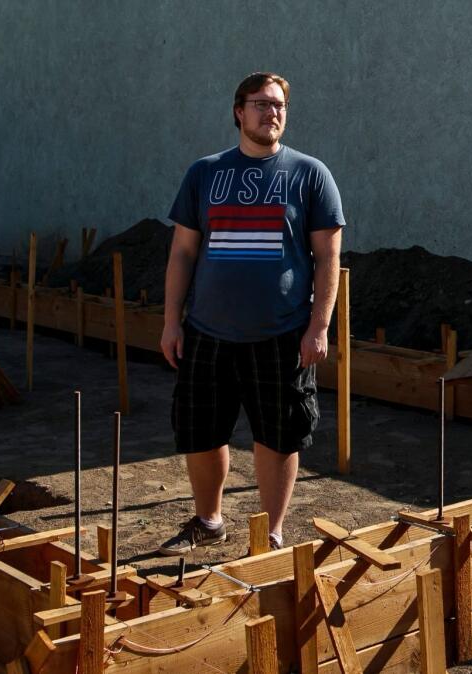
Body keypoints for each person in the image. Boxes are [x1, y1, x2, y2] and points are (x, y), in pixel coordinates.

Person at [157, 72, 344, 555]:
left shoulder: (309, 174)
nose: (272, 112)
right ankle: (208, 520)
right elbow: (182, 253)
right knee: (201, 431)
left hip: (281, 334)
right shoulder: (205, 174)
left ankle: (271, 533)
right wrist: (171, 321)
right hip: (206, 332)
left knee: (280, 436)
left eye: (279, 104)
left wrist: (319, 326)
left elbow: (328, 257)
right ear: (239, 111)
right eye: (261, 104)